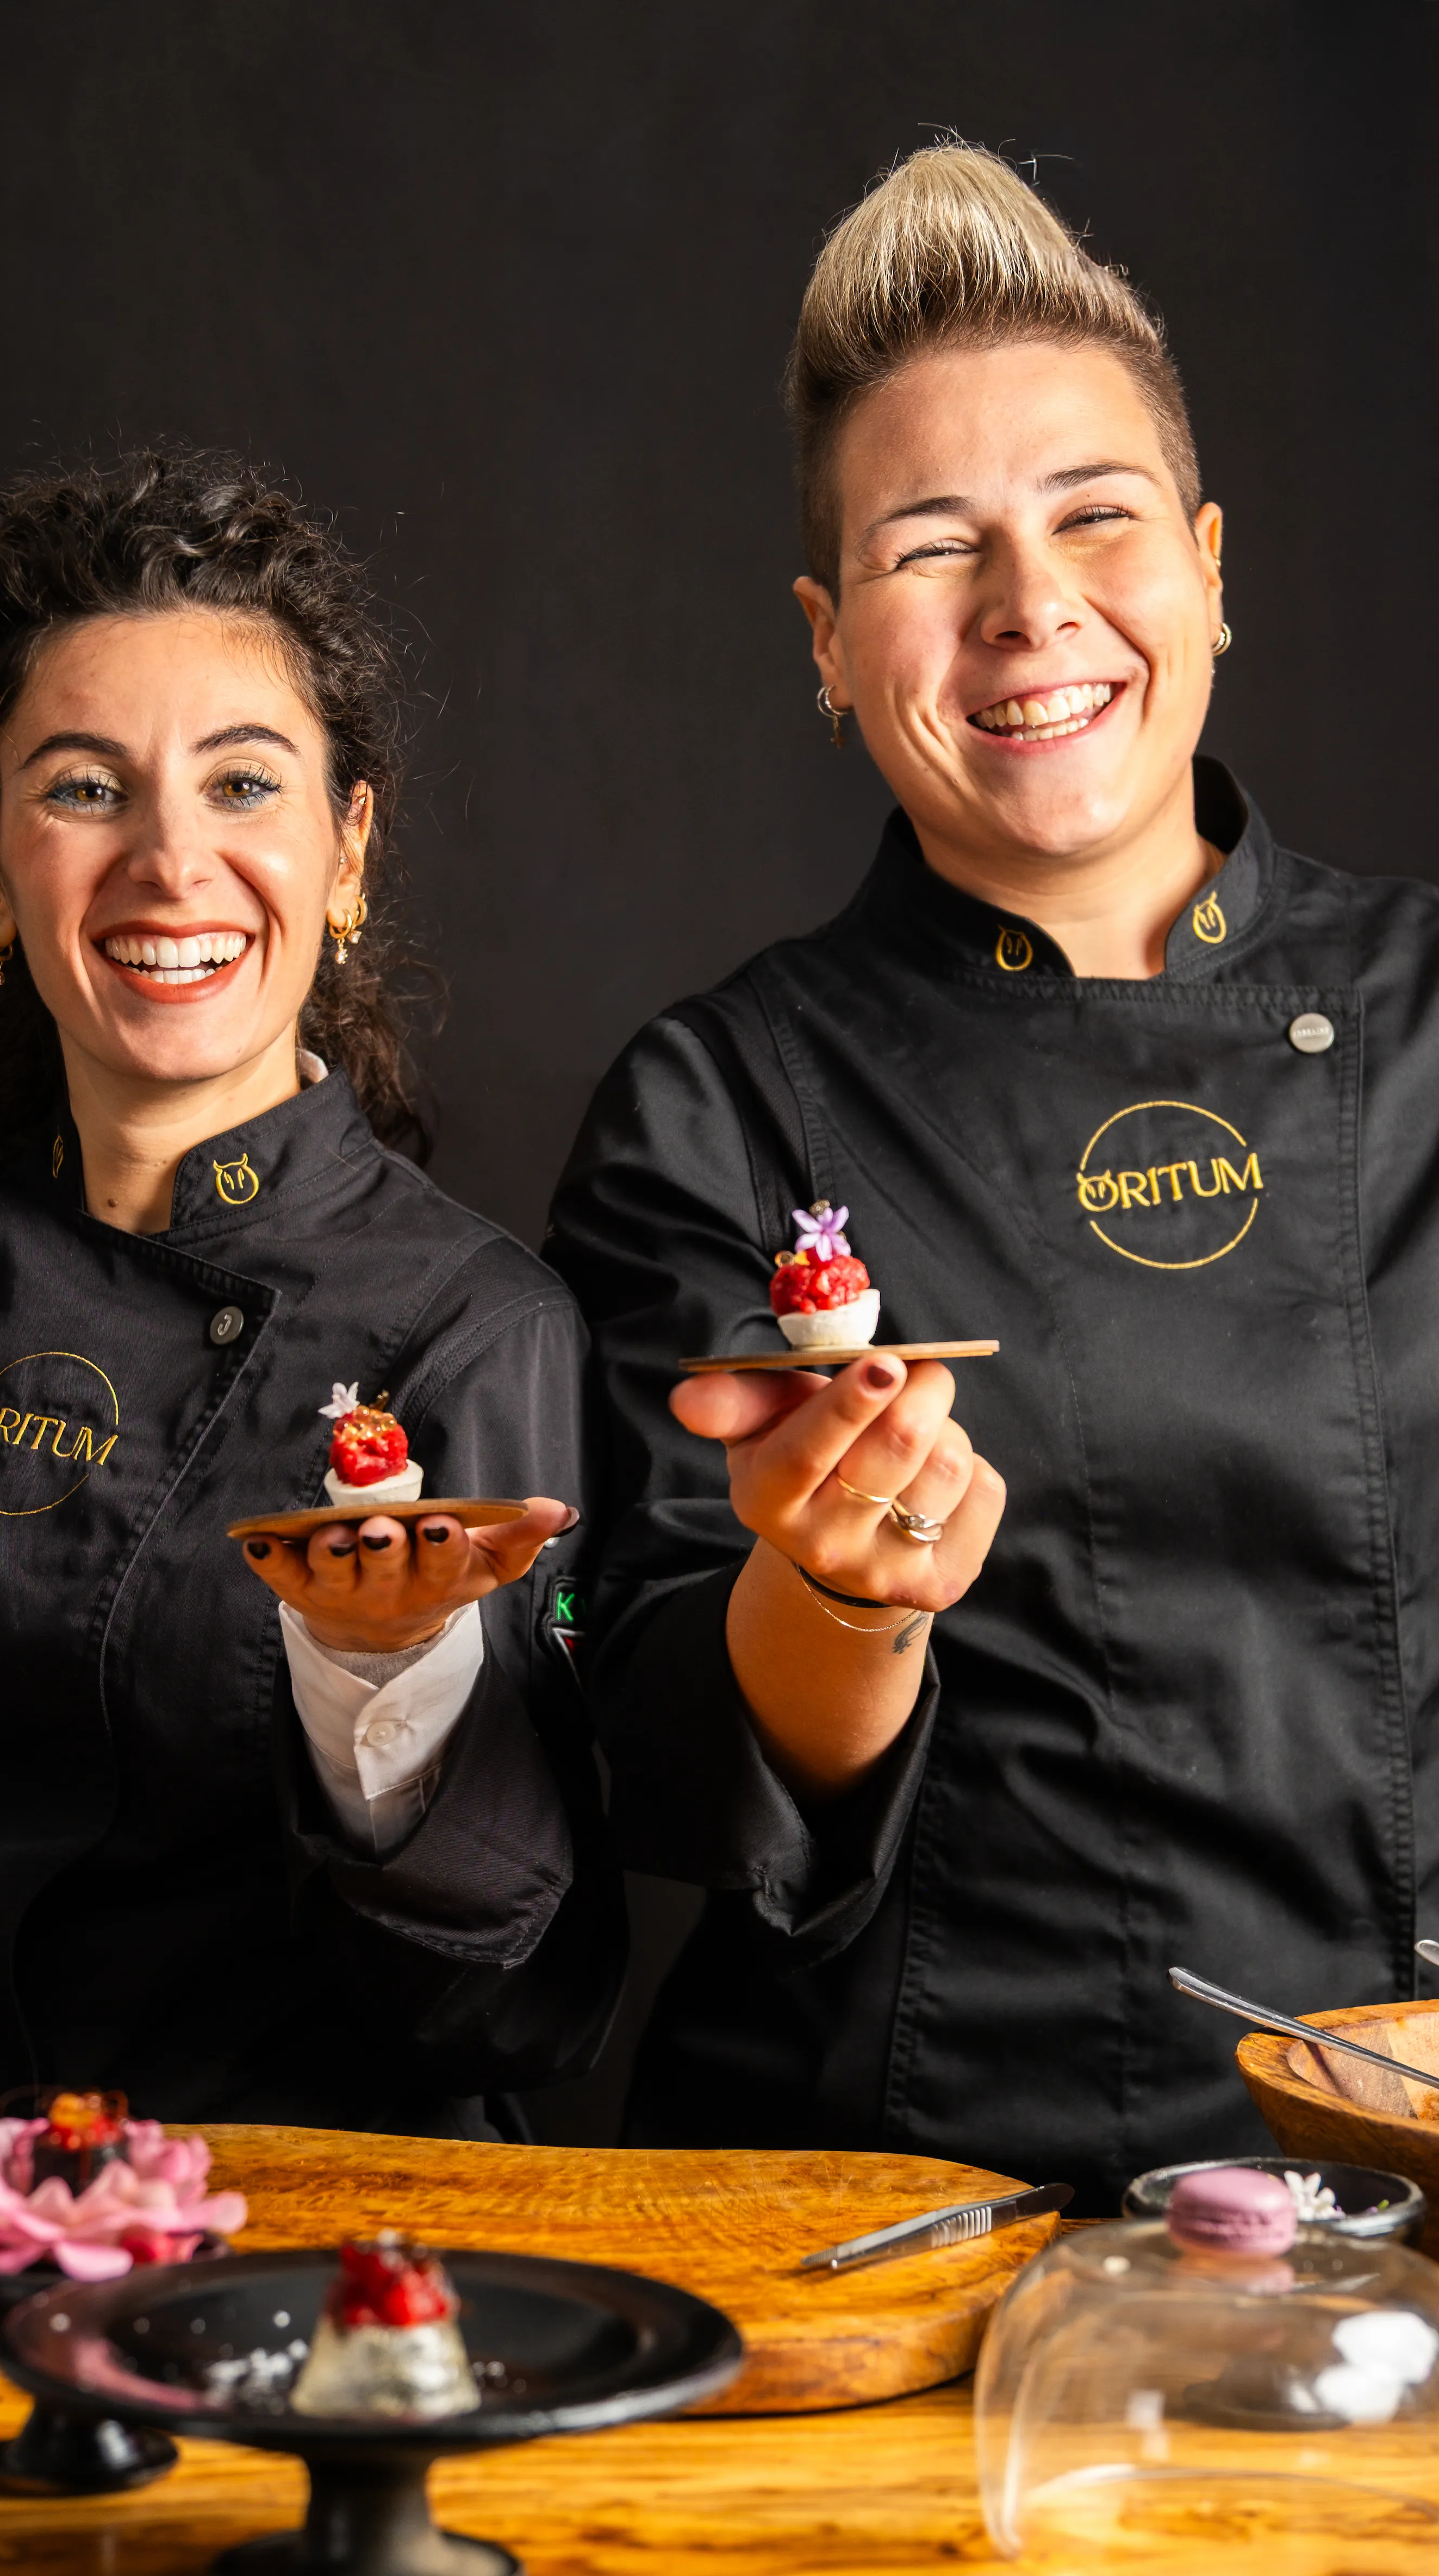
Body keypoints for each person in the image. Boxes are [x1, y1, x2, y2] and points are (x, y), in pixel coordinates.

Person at [548, 143, 1439, 2209]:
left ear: (1210, 567)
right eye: (933, 546)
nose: (1030, 606)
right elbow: (649, 1735)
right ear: (827, 643)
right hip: (937, 2209)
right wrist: (835, 1589)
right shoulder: (721, 1102)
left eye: (1096, 516)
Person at [0, 451, 622, 2153]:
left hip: (259, 2249)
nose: (169, 859)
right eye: (84, 788)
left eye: (242, 782)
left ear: (348, 851)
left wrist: (385, 1693)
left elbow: (513, 2002)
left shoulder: (476, 1334)